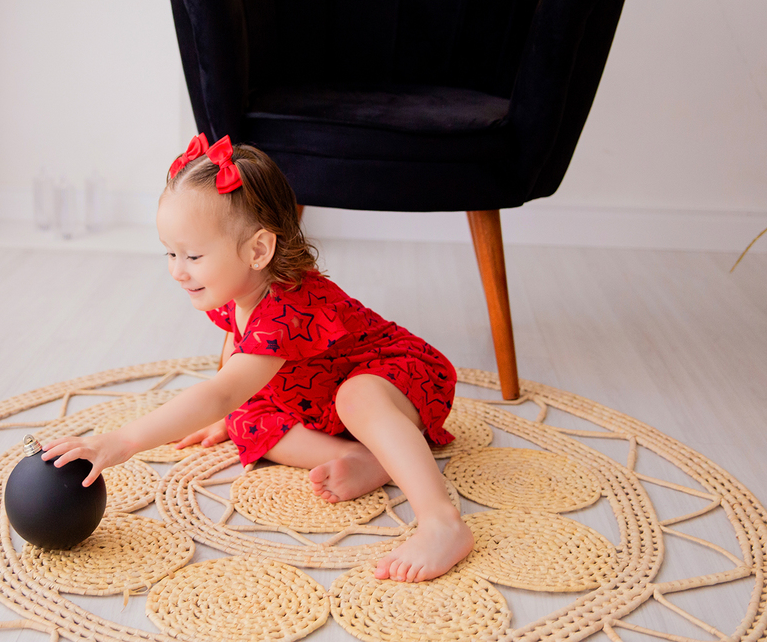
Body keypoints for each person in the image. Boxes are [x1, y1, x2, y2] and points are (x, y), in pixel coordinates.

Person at [43, 134, 474, 582]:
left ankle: (442, 521)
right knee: (243, 419)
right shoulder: (238, 288)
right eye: (170, 252)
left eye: (192, 255)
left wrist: (122, 441)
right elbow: (234, 358)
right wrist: (223, 415)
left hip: (402, 377)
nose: (177, 269)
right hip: (319, 396)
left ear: (258, 250)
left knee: (355, 397)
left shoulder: (288, 308)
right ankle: (373, 458)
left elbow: (220, 391)